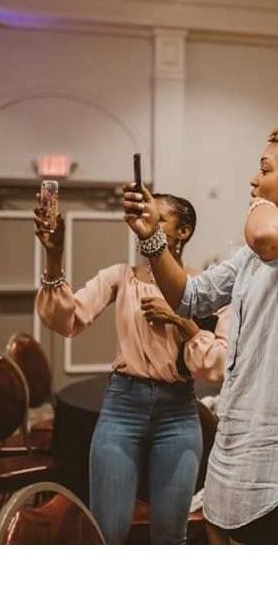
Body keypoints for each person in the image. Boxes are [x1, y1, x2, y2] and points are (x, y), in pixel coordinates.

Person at [122, 121, 278, 544]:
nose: (253, 178)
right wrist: (152, 236)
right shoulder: (248, 260)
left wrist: (263, 202)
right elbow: (188, 297)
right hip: (235, 445)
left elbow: (267, 236)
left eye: (265, 169)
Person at [34, 192, 228, 544]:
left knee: (170, 537)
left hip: (178, 414)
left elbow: (215, 367)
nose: (145, 225)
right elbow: (66, 319)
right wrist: (53, 254)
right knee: (109, 532)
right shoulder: (120, 277)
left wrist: (181, 321)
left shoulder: (205, 288)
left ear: (182, 232)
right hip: (122, 409)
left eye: (158, 219)